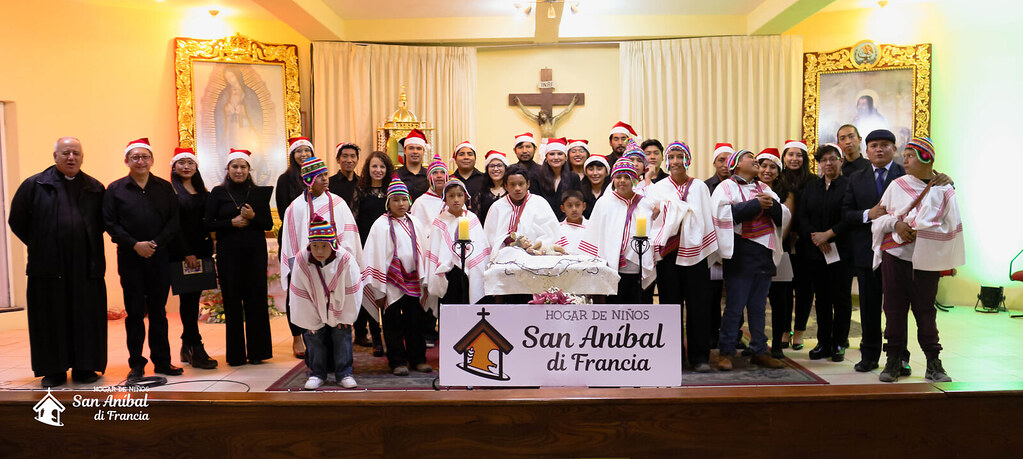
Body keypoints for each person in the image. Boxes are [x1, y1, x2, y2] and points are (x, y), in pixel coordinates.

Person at [9, 137, 107, 387]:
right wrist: (41, 243)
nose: (71, 157)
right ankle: (53, 370)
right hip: (48, 266)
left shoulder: (95, 188)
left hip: (86, 264)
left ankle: (85, 367)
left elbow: (106, 222)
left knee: (85, 316)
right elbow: (17, 220)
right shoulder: (34, 185)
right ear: (55, 157)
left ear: (82, 157)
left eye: (75, 153)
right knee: (50, 317)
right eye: (65, 153)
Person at [871, 138, 964, 382]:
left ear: (927, 158)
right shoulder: (897, 185)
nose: (906, 159)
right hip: (895, 256)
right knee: (893, 309)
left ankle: (934, 363)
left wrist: (922, 231)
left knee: (925, 311)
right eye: (906, 154)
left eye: (911, 154)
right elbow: (878, 218)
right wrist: (897, 224)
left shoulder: (944, 189)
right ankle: (893, 362)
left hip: (926, 259)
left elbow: (951, 226)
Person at [103, 138, 182, 380]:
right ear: (126, 161)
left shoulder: (165, 188)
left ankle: (163, 361)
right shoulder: (115, 189)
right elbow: (109, 222)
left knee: (159, 312)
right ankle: (136, 364)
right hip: (130, 258)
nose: (140, 161)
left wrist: (155, 244)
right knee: (135, 313)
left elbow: (174, 221)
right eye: (135, 157)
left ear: (152, 161)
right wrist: (135, 244)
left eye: (145, 157)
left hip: (159, 257)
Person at [711, 149, 786, 370]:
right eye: (749, 157)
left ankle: (759, 351)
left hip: (764, 254)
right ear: (736, 164)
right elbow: (721, 215)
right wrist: (756, 205)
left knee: (759, 306)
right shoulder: (725, 187)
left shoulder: (764, 188)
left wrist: (771, 206)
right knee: (735, 306)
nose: (755, 160)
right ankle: (726, 351)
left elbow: (782, 217)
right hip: (740, 254)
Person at [646, 141, 717, 372]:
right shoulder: (658, 187)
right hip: (669, 254)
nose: (676, 161)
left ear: (688, 160)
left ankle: (700, 357)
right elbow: (653, 218)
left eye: (680, 157)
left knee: (698, 305)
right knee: (670, 304)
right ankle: (673, 356)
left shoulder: (699, 187)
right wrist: (671, 211)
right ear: (667, 161)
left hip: (695, 255)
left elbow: (706, 218)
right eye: (672, 157)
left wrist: (682, 212)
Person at [280, 156, 363, 355]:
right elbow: (292, 242)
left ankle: (339, 360)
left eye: (326, 175)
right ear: (308, 180)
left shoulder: (338, 203)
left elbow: (350, 237)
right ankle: (317, 361)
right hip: (310, 269)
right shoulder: (295, 208)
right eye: (319, 176)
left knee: (338, 314)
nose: (325, 179)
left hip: (337, 269)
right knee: (314, 317)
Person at [842, 128, 908, 373]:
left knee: (896, 307)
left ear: (894, 149)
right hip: (866, 251)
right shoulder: (856, 178)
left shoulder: (906, 175)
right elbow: (846, 213)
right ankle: (869, 355)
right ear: (866, 150)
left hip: (899, 251)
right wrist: (867, 214)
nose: (879, 149)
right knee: (869, 307)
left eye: (885, 145)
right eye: (874, 145)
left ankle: (900, 355)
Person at [205, 148, 273, 366]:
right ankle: (235, 355)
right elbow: (207, 223)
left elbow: (268, 224)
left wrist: (253, 217)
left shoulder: (258, 193)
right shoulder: (217, 193)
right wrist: (230, 223)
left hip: (255, 253)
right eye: (235, 166)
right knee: (233, 302)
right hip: (229, 255)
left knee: (257, 301)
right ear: (228, 169)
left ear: (249, 169)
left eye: (243, 166)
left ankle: (258, 352)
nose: (239, 170)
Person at [361, 175, 432, 376]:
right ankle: (397, 361)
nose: (401, 204)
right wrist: (378, 289)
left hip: (413, 281)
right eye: (396, 200)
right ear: (388, 202)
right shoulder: (380, 225)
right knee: (392, 324)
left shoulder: (415, 222)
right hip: (390, 283)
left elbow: (423, 250)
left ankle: (417, 359)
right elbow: (374, 255)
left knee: (415, 322)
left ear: (409, 201)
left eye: (404, 199)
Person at [289, 216, 363, 390]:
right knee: (313, 338)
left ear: (333, 244)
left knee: (342, 336)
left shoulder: (345, 259)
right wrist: (310, 320)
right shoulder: (302, 260)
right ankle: (316, 374)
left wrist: (344, 316)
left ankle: (344, 373)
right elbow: (299, 293)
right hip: (313, 306)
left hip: (341, 305)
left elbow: (352, 290)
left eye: (324, 246)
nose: (319, 251)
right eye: (315, 246)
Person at [797, 144, 853, 362]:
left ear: (840, 160)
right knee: (821, 299)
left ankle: (839, 342)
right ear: (819, 164)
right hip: (816, 252)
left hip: (842, 251)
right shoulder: (812, 186)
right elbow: (802, 215)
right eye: (823, 160)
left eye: (832, 159)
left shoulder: (849, 186)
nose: (828, 164)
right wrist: (815, 237)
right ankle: (823, 342)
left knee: (841, 299)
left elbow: (850, 217)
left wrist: (829, 235)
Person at [579, 159, 659, 304]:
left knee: (637, 307)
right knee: (614, 309)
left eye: (627, 177)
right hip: (611, 268)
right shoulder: (605, 202)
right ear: (613, 179)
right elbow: (594, 234)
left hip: (637, 267)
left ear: (634, 179)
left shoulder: (645, 203)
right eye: (618, 177)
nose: (622, 181)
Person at [168, 147, 217, 370]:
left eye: (190, 163)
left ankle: (186, 345)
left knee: (193, 299)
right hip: (182, 253)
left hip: (203, 251)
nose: (186, 166)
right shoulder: (171, 192)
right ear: (174, 166)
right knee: (187, 301)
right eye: (182, 163)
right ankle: (196, 348)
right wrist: (186, 252)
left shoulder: (202, 190)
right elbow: (174, 226)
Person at [275, 137, 314, 358]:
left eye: (307, 150)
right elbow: (283, 212)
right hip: (292, 240)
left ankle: (313, 332)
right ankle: (297, 337)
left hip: (317, 241)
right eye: (298, 151)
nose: (303, 154)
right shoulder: (285, 179)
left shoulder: (317, 179)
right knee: (295, 289)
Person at [351, 150, 393, 356]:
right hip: (366, 248)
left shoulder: (392, 191)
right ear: (368, 169)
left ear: (388, 169)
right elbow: (354, 222)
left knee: (387, 293)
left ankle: (390, 336)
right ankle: (376, 338)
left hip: (388, 249)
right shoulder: (360, 191)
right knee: (370, 292)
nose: (378, 170)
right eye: (374, 166)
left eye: (382, 166)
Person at [425, 180, 490, 307]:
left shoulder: (472, 219)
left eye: (459, 195)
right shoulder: (440, 222)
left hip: (469, 271)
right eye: (451, 196)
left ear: (465, 197)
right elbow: (435, 248)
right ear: (445, 199)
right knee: (450, 304)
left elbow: (479, 245)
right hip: (448, 273)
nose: (456, 199)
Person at [483, 164, 561, 261]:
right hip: (505, 261)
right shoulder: (497, 207)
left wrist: (534, 245)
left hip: (537, 259)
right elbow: (489, 239)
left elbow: (552, 234)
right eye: (512, 184)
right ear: (506, 186)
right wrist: (510, 241)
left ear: (528, 184)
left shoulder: (540, 203)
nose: (517, 188)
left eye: (521, 184)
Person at [705, 142, 734, 349]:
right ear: (714, 163)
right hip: (713, 250)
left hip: (737, 248)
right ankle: (713, 333)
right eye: (721, 160)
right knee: (713, 295)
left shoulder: (741, 185)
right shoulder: (705, 187)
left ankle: (734, 333)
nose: (725, 165)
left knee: (735, 295)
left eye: (729, 160)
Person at [531, 137, 582, 220]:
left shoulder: (573, 177)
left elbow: (575, 202)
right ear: (546, 157)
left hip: (566, 223)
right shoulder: (536, 176)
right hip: (542, 222)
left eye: (560, 154)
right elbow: (534, 204)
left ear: (565, 157)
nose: (556, 157)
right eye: (552, 154)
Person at [410, 153, 450, 231]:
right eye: (435, 173)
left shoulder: (454, 199)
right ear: (429, 178)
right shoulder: (420, 203)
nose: (439, 176)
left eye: (442, 172)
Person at [474, 150, 509, 226]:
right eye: (492, 166)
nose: (496, 169)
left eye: (499, 165)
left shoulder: (511, 191)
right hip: (487, 234)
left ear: (505, 168)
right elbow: (477, 220)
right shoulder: (481, 192)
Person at [396, 129, 430, 202]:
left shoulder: (430, 176)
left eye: (418, 149)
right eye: (411, 148)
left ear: (423, 152)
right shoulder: (395, 176)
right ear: (405, 151)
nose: (415, 152)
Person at [328, 142, 360, 209]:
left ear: (357, 160)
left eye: (353, 156)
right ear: (337, 159)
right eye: (345, 156)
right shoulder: (329, 183)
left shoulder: (362, 183)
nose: (349, 160)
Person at [555, 190, 588, 254]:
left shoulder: (591, 227)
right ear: (562, 208)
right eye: (569, 206)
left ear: (584, 206)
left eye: (578, 205)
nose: (574, 209)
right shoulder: (558, 228)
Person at [580, 154, 610, 219]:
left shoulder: (612, 191)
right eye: (591, 169)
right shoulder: (580, 191)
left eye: (599, 169)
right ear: (586, 172)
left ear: (607, 172)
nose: (595, 173)